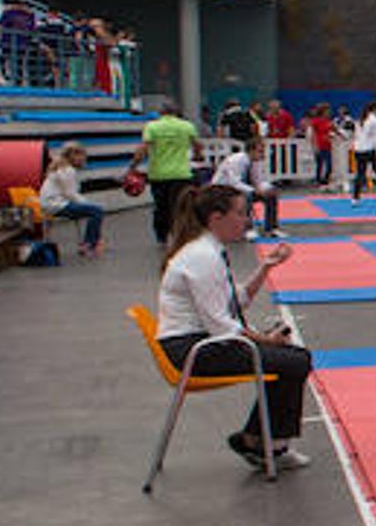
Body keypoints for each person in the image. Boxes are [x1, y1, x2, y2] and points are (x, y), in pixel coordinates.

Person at [154, 184, 314, 472]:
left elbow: (236, 302)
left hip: (198, 341)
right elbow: (222, 325)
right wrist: (267, 340)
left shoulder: (208, 251)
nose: (247, 220)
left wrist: (265, 268)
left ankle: (261, 441)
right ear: (216, 218)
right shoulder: (202, 257)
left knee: (291, 359)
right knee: (295, 360)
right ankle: (265, 444)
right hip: (192, 350)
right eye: (241, 214)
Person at [128, 99, 200, 243]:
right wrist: (198, 155)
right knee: (179, 207)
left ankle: (162, 237)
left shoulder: (152, 127)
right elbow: (198, 146)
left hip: (159, 174)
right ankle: (179, 233)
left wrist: (133, 166)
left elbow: (142, 149)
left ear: (161, 112)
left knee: (161, 207)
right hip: (182, 174)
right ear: (177, 112)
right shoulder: (187, 126)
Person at [209, 137, 282, 238]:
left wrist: (268, 188)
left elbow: (258, 180)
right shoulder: (236, 160)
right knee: (244, 196)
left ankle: (271, 228)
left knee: (270, 196)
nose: (263, 154)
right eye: (260, 151)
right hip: (221, 191)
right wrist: (254, 190)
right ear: (251, 151)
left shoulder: (255, 162)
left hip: (239, 189)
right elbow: (234, 183)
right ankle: (248, 229)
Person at [41, 144, 105, 255]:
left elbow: (70, 194)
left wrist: (88, 204)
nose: (85, 160)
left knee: (94, 209)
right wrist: (90, 204)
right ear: (74, 156)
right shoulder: (68, 170)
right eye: (83, 157)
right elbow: (71, 194)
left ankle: (93, 242)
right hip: (56, 205)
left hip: (51, 204)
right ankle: (89, 244)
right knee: (97, 211)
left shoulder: (62, 168)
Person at [348, 101, 376, 205]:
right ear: (375, 109)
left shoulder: (359, 120)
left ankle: (355, 199)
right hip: (370, 150)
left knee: (360, 174)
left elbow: (356, 136)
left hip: (359, 149)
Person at [305, 104, 336, 185]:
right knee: (320, 164)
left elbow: (335, 130)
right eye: (328, 111)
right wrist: (315, 146)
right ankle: (318, 180)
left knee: (329, 165)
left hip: (327, 145)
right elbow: (313, 134)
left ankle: (325, 180)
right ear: (323, 111)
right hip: (319, 145)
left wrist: (342, 136)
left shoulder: (329, 121)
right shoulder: (315, 121)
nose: (329, 112)